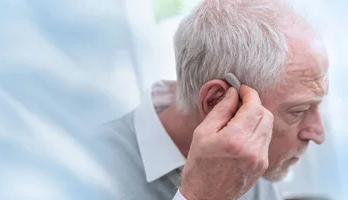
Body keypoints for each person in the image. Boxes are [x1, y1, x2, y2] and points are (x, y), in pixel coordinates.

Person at [93, 0, 328, 199]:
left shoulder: (253, 160)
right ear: (218, 102)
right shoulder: (90, 166)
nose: (319, 134)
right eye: (298, 111)